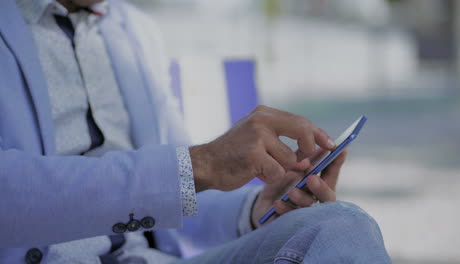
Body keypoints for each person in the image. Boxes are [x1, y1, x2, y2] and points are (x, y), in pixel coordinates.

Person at [0, 0, 392, 263]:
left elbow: (169, 198)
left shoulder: (135, 33)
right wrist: (200, 165)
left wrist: (252, 211)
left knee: (340, 225)